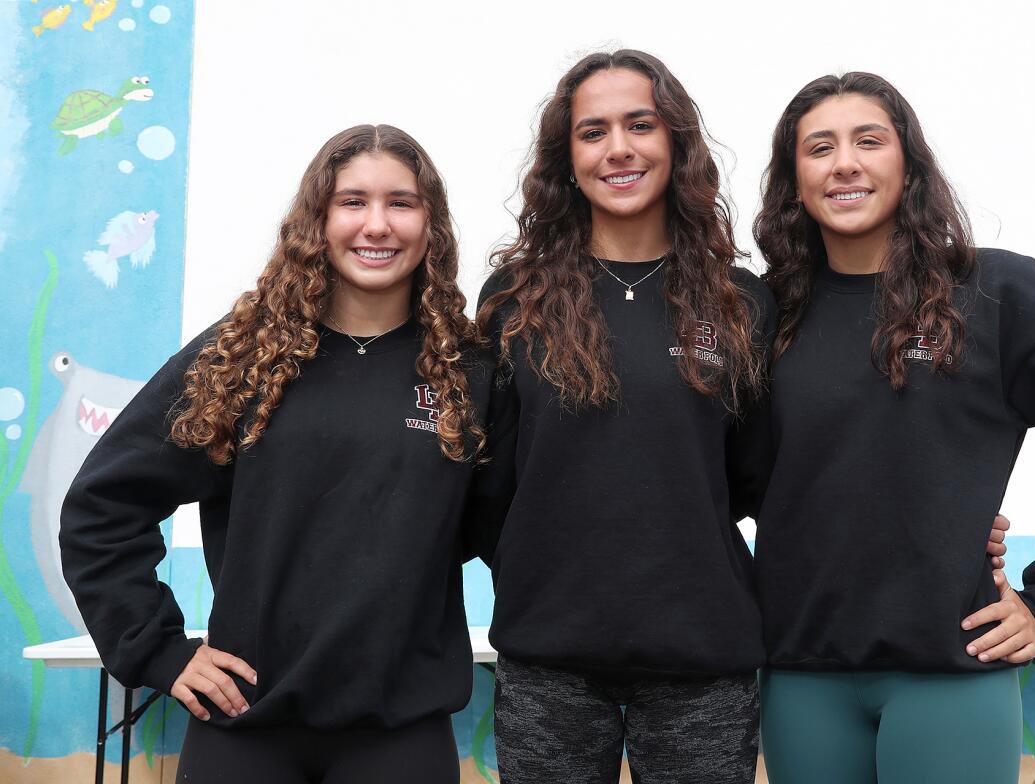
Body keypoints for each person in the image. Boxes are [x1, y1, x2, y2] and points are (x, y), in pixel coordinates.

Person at [751, 72, 1035, 784]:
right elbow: (737, 480)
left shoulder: (997, 292)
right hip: (800, 669)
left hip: (952, 667)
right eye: (820, 147)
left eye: (868, 140)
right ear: (795, 180)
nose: (845, 161)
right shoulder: (764, 316)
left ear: (907, 163)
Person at [60, 124, 488, 784]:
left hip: (399, 734)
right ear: (316, 218)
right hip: (245, 728)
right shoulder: (239, 357)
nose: (376, 224)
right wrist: (160, 652)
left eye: (401, 202)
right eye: (352, 202)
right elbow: (102, 507)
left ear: (432, 222)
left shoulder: (470, 374)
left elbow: (508, 525)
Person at [473, 49, 775, 784]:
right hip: (548, 659)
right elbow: (489, 477)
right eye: (593, 131)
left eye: (640, 124)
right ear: (565, 156)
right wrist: (541, 566)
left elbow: (758, 473)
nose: (619, 149)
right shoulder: (514, 298)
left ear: (675, 140)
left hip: (703, 657)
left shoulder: (741, 301)